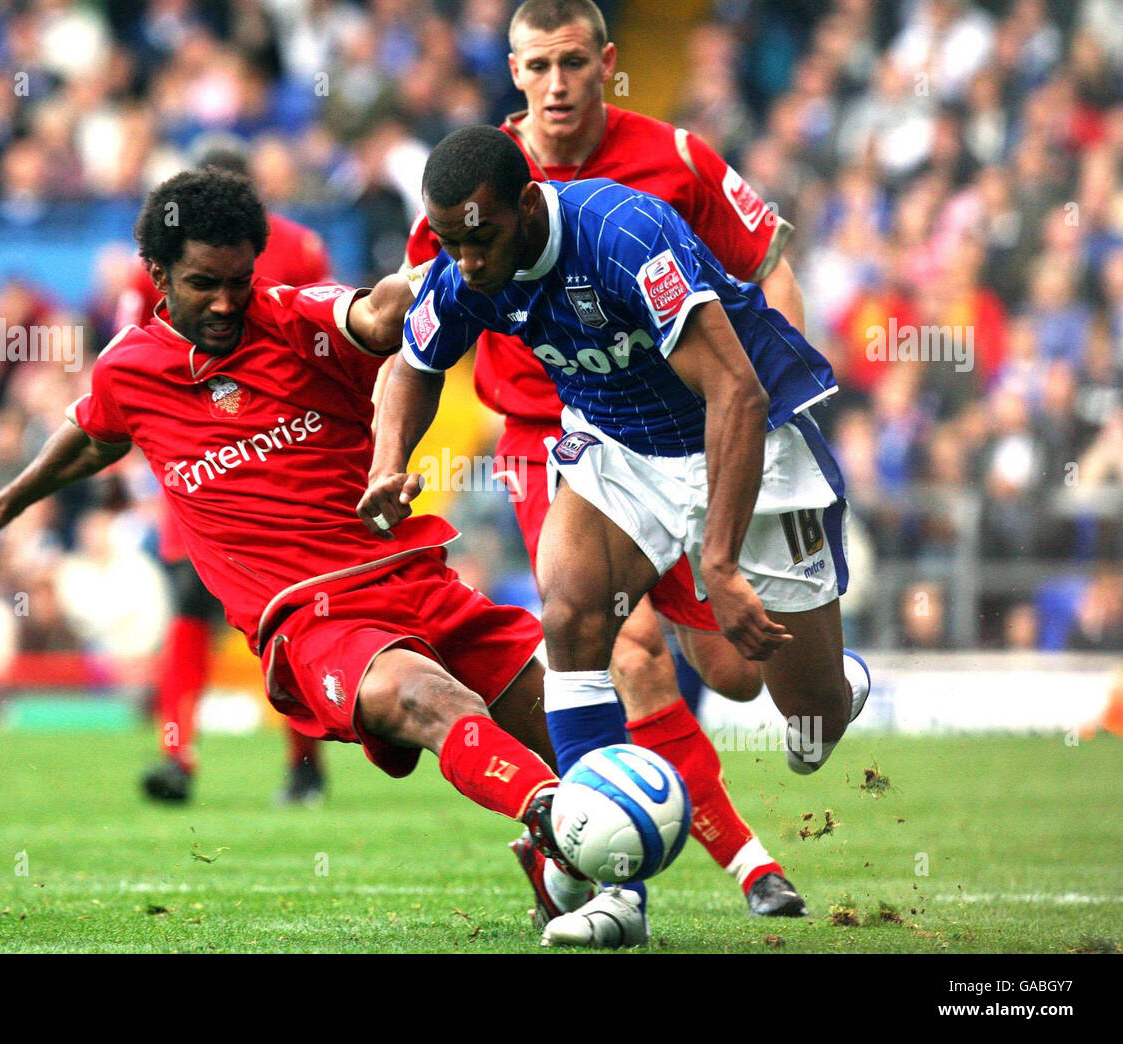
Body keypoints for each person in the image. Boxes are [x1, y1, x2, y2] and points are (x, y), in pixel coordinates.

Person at [0, 168, 579, 928]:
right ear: (158, 276)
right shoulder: (131, 370)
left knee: (577, 730)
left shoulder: (293, 316)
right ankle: (555, 818)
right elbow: (92, 432)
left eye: (240, 280)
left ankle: (569, 854)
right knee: (427, 699)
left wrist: (405, 290)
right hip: (314, 619)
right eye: (205, 283)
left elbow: (367, 320)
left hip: (412, 576)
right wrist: (9, 499)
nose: (227, 302)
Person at [361, 126, 872, 946]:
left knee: (805, 719)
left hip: (751, 437)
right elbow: (416, 363)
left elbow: (735, 394)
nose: (468, 262)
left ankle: (836, 686)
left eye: (480, 239)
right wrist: (391, 461)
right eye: (451, 242)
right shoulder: (467, 268)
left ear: (529, 204)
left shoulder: (627, 236)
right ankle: (615, 892)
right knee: (570, 615)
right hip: (621, 446)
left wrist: (720, 563)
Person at [401, 0, 805, 924]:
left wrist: (775, 394)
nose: (556, 85)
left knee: (738, 672)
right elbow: (422, 304)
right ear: (513, 71)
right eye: (537, 66)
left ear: (608, 63)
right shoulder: (476, 179)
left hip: (676, 427)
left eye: (574, 63)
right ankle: (688, 873)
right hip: (551, 441)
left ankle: (817, 685)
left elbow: (767, 261)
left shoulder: (677, 158)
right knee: (620, 645)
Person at [122, 146, 334, 806]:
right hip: (207, 459)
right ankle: (185, 757)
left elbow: (319, 337)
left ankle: (286, 759)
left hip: (272, 453)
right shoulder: (302, 244)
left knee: (273, 617)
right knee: (211, 606)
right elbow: (142, 362)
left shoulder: (297, 250)